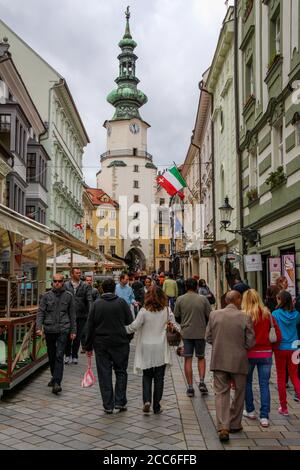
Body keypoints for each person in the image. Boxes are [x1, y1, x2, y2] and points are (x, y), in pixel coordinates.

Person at [205, 291, 255, 442]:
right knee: (240, 392)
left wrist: (220, 344)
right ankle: (234, 423)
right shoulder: (245, 316)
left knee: (221, 393)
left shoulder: (214, 315)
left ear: (226, 301)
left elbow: (208, 337)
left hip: (219, 360)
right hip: (239, 361)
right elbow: (251, 342)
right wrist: (241, 347)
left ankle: (223, 427)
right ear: (238, 300)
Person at [125, 286, 180, 414]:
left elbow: (133, 327)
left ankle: (146, 401)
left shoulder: (144, 311)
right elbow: (177, 327)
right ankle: (156, 406)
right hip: (160, 346)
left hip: (146, 346)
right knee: (159, 377)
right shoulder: (167, 310)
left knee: (147, 375)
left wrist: (122, 329)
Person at [85, 278, 133, 414]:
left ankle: (108, 404)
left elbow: (90, 326)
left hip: (101, 344)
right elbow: (130, 323)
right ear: (114, 289)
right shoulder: (122, 303)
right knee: (121, 371)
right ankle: (120, 401)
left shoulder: (96, 304)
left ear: (102, 289)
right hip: (120, 343)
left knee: (104, 373)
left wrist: (88, 345)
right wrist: (127, 338)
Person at [242, 289, 281, 428]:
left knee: (247, 382)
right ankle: (264, 416)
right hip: (265, 353)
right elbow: (277, 334)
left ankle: (250, 410)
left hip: (249, 353)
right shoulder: (267, 314)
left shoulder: (244, 315)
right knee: (264, 385)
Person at [36, 273, 76, 395]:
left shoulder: (69, 296)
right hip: (49, 329)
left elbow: (72, 315)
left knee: (59, 355)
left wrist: (73, 331)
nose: (57, 283)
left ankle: (57, 382)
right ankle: (54, 377)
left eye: (59, 281)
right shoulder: (46, 296)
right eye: (55, 281)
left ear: (63, 282)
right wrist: (39, 327)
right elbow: (41, 312)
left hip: (63, 329)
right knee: (52, 355)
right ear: (52, 282)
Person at [174, 278, 211, 397]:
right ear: (196, 287)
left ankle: (190, 387)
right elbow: (209, 315)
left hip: (186, 333)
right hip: (200, 332)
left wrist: (184, 322)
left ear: (185, 286)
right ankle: (201, 382)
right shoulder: (203, 299)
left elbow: (177, 317)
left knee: (188, 359)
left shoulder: (180, 299)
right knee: (201, 357)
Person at [272, 290, 300, 415]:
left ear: (281, 300)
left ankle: (284, 408)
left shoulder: (275, 314)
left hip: (280, 348)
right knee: (295, 376)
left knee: (281, 377)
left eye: (278, 298)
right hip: (295, 347)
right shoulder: (297, 314)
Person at [64, 267, 92, 365]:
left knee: (78, 336)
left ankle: (75, 355)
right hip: (68, 315)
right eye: (77, 273)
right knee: (68, 335)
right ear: (71, 274)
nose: (79, 274)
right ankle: (67, 354)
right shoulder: (66, 285)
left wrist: (90, 312)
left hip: (81, 315)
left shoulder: (85, 286)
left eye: (80, 273)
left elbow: (89, 300)